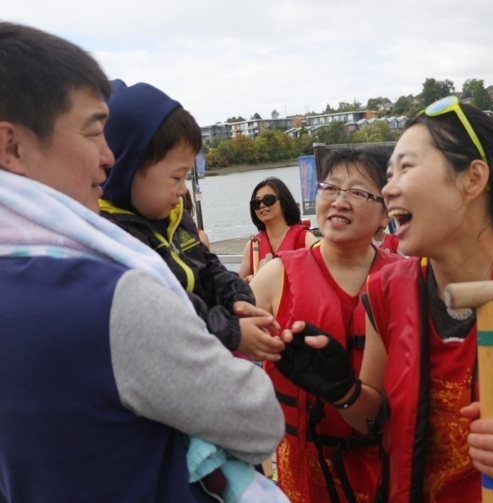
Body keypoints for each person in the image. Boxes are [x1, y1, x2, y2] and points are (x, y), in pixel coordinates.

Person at [273, 96, 493, 502]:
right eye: (389, 174)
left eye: (406, 168)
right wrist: (343, 390)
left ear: (472, 179)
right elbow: (372, 418)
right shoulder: (384, 293)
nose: (388, 188)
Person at [0, 22, 283, 503]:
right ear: (12, 147)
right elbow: (259, 422)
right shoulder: (111, 295)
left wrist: (235, 301)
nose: (109, 157)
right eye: (94, 131)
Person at [250, 147, 402, 503]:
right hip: (304, 466)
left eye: (358, 192)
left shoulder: (406, 280)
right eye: (330, 188)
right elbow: (224, 345)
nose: (339, 201)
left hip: (387, 463)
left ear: (386, 214)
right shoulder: (277, 274)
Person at [100, 81, 272, 360]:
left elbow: (208, 267)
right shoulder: (111, 234)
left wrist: (237, 298)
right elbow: (164, 306)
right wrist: (232, 332)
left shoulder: (175, 216)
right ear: (128, 170)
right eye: (176, 177)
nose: (183, 190)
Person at [238, 177, 318, 282]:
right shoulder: (253, 245)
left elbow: (326, 274)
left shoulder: (304, 238)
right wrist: (248, 282)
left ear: (284, 203)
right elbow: (237, 288)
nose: (262, 205)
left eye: (268, 200)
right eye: (256, 203)